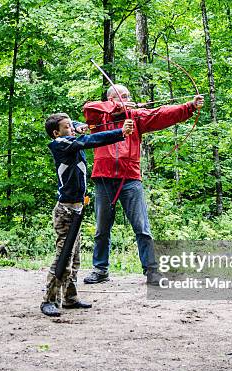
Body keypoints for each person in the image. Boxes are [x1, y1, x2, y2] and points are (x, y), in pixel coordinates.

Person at [83, 84, 204, 285]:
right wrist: (116, 108)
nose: (126, 98)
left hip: (130, 178)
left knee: (142, 228)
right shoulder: (99, 118)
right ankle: (100, 269)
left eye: (128, 96)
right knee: (102, 228)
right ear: (111, 99)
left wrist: (189, 106)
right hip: (104, 178)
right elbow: (89, 108)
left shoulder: (135, 116)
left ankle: (151, 271)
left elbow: (161, 113)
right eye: (121, 96)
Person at [40, 113, 135, 317]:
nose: (71, 128)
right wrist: (120, 132)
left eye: (71, 126)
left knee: (74, 258)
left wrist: (77, 125)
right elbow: (89, 140)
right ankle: (49, 300)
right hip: (65, 211)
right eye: (67, 127)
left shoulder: (68, 136)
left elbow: (74, 129)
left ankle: (70, 298)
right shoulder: (60, 144)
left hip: (77, 210)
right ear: (56, 133)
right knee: (62, 257)